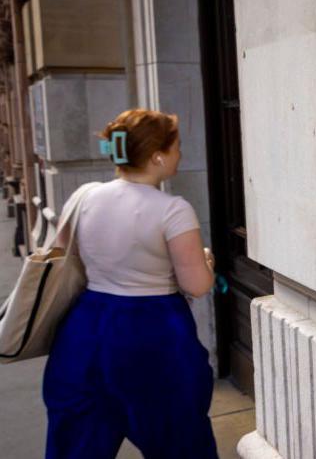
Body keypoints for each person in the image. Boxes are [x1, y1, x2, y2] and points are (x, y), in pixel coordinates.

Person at [42, 109, 218, 458]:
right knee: (178, 438)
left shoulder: (84, 196)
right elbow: (196, 285)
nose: (180, 155)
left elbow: (61, 253)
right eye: (176, 147)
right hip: (154, 334)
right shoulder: (173, 209)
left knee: (78, 441)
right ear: (157, 155)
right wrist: (207, 262)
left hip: (85, 329)